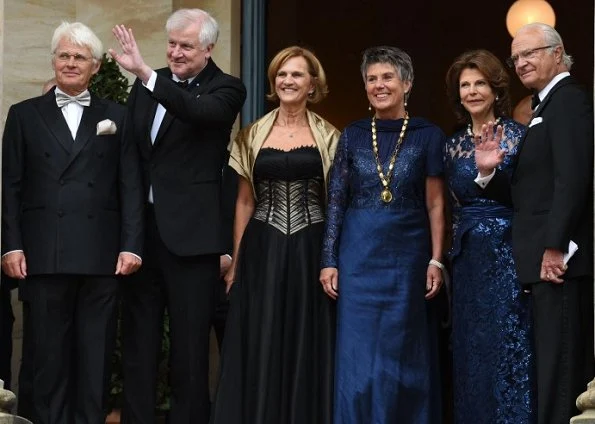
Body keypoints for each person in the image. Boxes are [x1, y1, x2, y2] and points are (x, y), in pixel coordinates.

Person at [1, 21, 144, 424]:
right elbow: (10, 186)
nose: (70, 63)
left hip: (101, 255)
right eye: (63, 55)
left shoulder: (117, 115)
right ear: (53, 60)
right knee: (47, 356)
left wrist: (131, 244)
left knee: (95, 356)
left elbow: (130, 185)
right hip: (44, 253)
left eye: (79, 56)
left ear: (95, 66)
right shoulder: (24, 115)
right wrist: (11, 246)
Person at [109, 8, 246, 424]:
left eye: (186, 46)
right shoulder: (150, 83)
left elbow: (196, 111)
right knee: (139, 349)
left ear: (209, 48)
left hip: (193, 241)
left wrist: (146, 76)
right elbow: (132, 154)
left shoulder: (227, 88)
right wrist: (129, 234)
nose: (176, 52)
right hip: (144, 238)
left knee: (189, 355)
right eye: (171, 44)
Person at [210, 46, 340, 423]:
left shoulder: (330, 136)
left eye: (297, 74)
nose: (288, 81)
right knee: (262, 335)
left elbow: (334, 203)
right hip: (261, 248)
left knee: (306, 336)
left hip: (311, 248)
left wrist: (332, 258)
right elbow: (245, 203)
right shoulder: (251, 134)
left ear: (312, 84)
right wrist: (235, 262)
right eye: (282, 75)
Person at [474, 23, 594, 424]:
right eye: (516, 57)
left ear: (557, 54)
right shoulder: (545, 105)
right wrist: (490, 174)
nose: (521, 63)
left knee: (561, 372)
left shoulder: (569, 101)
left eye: (530, 53)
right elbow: (533, 192)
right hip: (543, 261)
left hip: (557, 263)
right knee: (551, 366)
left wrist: (556, 245)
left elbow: (574, 179)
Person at [319, 45, 446, 423]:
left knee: (403, 351)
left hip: (408, 256)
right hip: (358, 256)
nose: (379, 85)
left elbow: (437, 205)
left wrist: (436, 258)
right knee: (357, 355)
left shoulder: (429, 134)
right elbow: (337, 201)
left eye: (387, 77)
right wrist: (329, 259)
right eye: (371, 79)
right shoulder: (354, 135)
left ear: (406, 83)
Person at [444, 49, 535, 423]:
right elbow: (446, 205)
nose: (472, 91)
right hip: (466, 260)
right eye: (465, 85)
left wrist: (489, 174)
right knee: (470, 349)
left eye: (479, 82)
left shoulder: (519, 137)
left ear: (496, 89)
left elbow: (527, 199)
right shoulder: (450, 145)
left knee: (508, 345)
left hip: (507, 254)